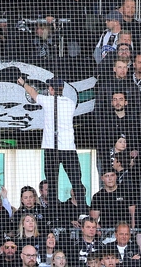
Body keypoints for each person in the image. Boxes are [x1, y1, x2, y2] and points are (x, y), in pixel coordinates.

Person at [17, 76, 85, 208]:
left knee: (52, 183)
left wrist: (23, 83)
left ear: (52, 89)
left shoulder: (48, 101)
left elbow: (33, 93)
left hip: (51, 148)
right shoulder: (70, 103)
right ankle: (82, 210)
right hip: (68, 148)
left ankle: (54, 213)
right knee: (76, 181)